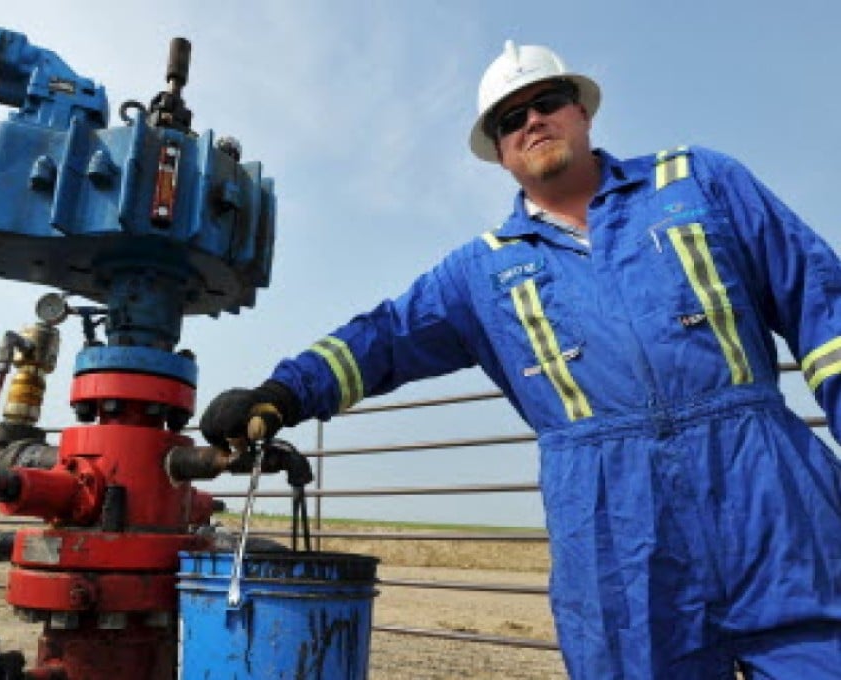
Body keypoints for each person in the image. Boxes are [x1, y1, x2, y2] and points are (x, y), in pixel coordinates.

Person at [200, 40, 841, 679]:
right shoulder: (482, 271)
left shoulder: (699, 182)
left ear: (582, 113)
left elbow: (820, 299)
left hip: (771, 500)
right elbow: (385, 336)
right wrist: (283, 391)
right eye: (511, 119)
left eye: (547, 102)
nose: (532, 121)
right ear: (501, 153)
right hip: (614, 529)